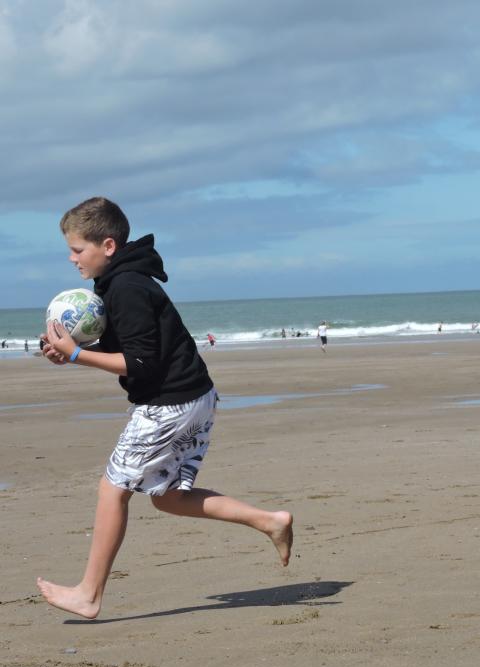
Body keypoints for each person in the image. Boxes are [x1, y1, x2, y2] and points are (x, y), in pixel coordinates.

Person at [37, 197, 293, 619]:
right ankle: (269, 521)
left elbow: (141, 362)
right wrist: (71, 352)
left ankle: (89, 593)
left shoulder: (127, 287)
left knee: (112, 489)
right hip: (193, 397)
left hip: (169, 403)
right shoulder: (121, 282)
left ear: (108, 246)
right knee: (168, 497)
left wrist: (79, 355)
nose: (71, 258)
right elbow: (129, 347)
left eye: (78, 250)